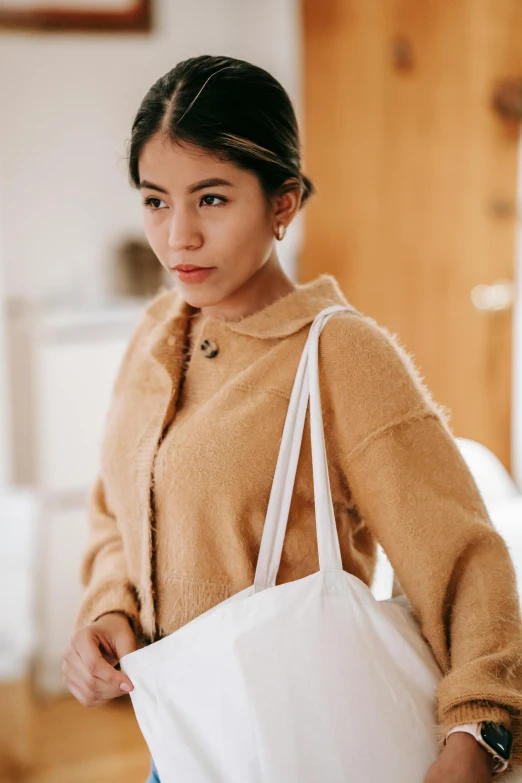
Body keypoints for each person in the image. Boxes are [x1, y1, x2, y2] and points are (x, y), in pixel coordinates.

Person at [62, 54, 522, 782]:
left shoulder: (341, 353)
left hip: (304, 746)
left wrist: (477, 729)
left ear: (283, 203)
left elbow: (464, 556)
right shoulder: (155, 336)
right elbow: (115, 511)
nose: (178, 235)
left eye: (210, 199)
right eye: (155, 200)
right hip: (179, 747)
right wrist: (107, 611)